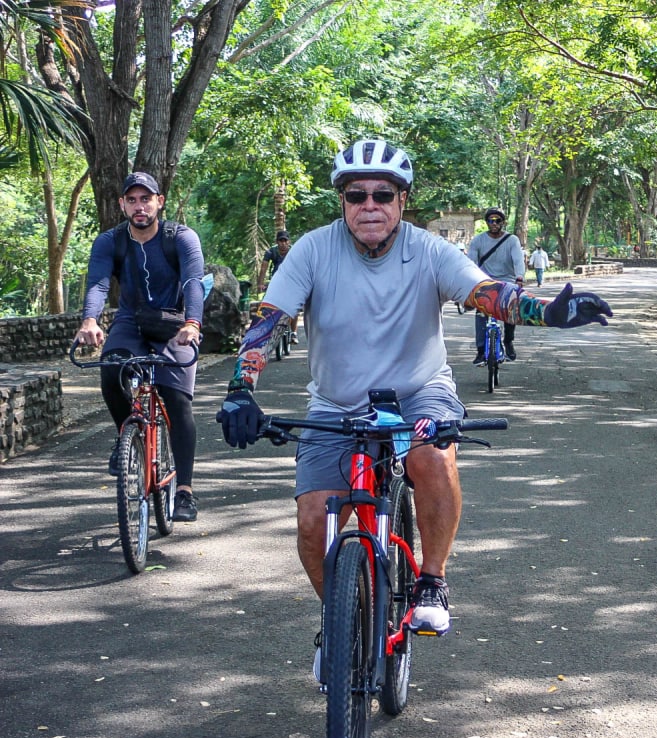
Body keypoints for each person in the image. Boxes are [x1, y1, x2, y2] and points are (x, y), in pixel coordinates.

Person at [215, 138, 612, 682]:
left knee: (432, 458)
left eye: (383, 194)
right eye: (356, 195)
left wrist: (549, 313)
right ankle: (342, 622)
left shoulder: (428, 250)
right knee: (312, 523)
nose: (369, 206)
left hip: (420, 391)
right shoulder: (311, 250)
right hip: (335, 401)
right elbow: (269, 319)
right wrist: (240, 388)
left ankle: (432, 580)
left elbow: (486, 293)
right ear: (342, 201)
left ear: (402, 200)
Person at [74, 171, 205, 522]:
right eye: (131, 200)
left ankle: (185, 491)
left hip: (175, 323)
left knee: (177, 399)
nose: (139, 206)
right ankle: (125, 437)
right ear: (122, 205)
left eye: (145, 199)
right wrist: (90, 320)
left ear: (159, 201)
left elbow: (193, 282)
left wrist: (192, 323)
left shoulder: (181, 237)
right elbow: (98, 284)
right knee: (111, 371)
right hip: (130, 321)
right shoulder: (110, 241)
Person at [467, 207, 525, 363]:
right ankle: (480, 351)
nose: (494, 223)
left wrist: (519, 278)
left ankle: (508, 341)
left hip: (507, 281)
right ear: (486, 222)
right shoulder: (478, 240)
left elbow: (518, 260)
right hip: (485, 281)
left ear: (503, 222)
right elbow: (470, 263)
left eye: (497, 220)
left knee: (510, 310)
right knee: (481, 313)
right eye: (491, 220)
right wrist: (468, 281)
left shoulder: (512, 240)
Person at [256, 230, 299, 343]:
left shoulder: (294, 251)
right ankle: (267, 330)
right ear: (277, 242)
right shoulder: (271, 251)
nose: (283, 244)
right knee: (267, 305)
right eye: (281, 241)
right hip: (276, 280)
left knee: (295, 306)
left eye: (285, 241)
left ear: (289, 242)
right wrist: (260, 283)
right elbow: (264, 268)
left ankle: (293, 333)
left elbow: (301, 266)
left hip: (292, 280)